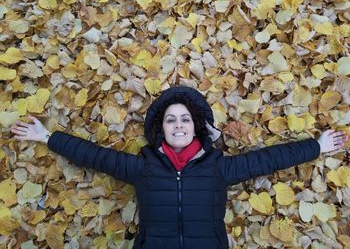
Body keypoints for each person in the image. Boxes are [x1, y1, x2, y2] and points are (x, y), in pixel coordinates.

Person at [11, 86, 348, 249]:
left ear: (196, 126)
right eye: (171, 119)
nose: (178, 125)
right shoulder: (143, 168)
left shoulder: (218, 168)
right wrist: (47, 137)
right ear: (162, 128)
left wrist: (317, 146)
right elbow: (95, 156)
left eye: (185, 119)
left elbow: (269, 159)